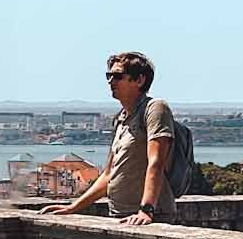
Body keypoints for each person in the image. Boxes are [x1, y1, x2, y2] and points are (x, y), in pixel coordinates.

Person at [51, 51, 177, 225]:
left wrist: (146, 210)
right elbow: (109, 174)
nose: (111, 81)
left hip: (149, 217)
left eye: (117, 76)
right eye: (108, 76)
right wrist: (72, 207)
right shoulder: (121, 119)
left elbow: (156, 162)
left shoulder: (155, 108)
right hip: (119, 215)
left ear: (139, 80)